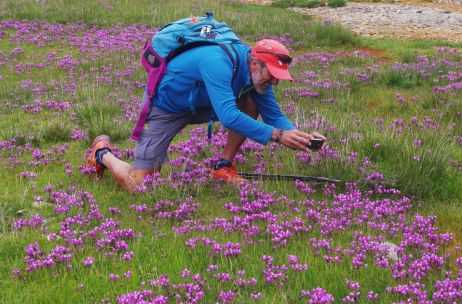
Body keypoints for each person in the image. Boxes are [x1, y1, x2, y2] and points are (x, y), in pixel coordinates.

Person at [85, 38, 325, 192]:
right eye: (271, 74)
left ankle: (224, 166)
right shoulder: (217, 61)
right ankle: (102, 153)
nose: (274, 81)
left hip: (205, 103)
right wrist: (277, 135)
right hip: (168, 106)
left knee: (252, 101)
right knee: (139, 184)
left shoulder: (256, 77)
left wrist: (299, 136)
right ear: (255, 63)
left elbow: (273, 114)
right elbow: (229, 116)